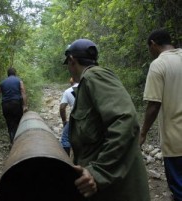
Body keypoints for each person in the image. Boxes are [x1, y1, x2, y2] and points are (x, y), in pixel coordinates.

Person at [63, 39, 150, 200]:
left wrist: (98, 172)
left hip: (118, 189)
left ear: (72, 60)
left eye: (68, 64)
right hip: (106, 189)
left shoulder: (94, 76)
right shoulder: (87, 82)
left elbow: (125, 120)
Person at [139, 29, 182, 201]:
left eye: (149, 48)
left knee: (179, 188)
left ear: (153, 44)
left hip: (176, 139)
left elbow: (153, 105)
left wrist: (143, 133)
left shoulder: (159, 65)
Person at [0, 67, 28, 144]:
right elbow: (23, 92)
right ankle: (18, 142)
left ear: (8, 74)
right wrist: (25, 105)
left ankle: (12, 141)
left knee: (10, 124)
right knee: (18, 123)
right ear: (15, 73)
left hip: (5, 105)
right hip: (16, 104)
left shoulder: (3, 83)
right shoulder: (19, 81)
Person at [59, 77, 78, 156]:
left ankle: (66, 161)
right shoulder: (90, 87)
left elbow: (62, 108)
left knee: (65, 139)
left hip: (76, 118)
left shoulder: (68, 91)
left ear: (71, 83)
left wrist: (64, 121)